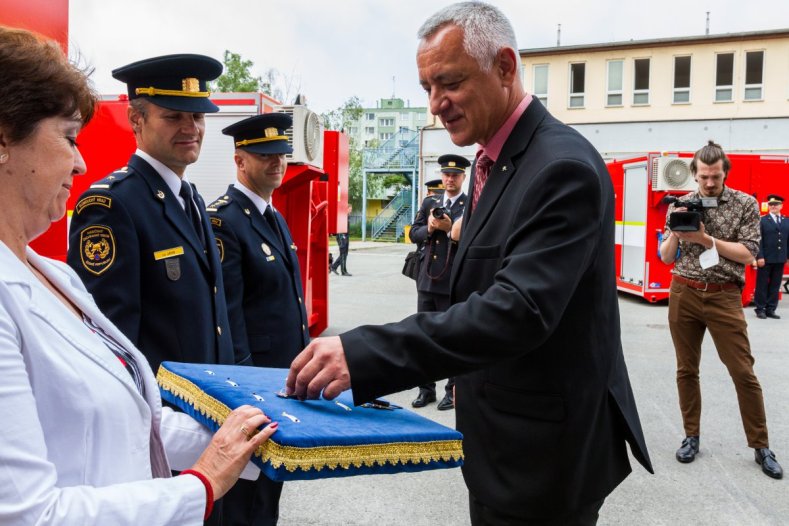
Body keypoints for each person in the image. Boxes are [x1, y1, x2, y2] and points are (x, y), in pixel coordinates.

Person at [286, 3, 653, 524]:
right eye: (426, 88)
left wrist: (366, 352)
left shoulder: (561, 167)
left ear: (504, 67)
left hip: (542, 463)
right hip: (502, 445)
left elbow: (516, 310)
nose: (437, 105)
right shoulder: (494, 161)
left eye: (450, 83)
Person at [0, 26, 278, 525]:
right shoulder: (114, 204)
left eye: (197, 116)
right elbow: (27, 514)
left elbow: (127, 399)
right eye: (68, 138)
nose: (81, 161)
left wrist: (253, 436)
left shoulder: (54, 276)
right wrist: (202, 482)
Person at [67, 53, 246, 373]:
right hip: (162, 413)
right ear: (136, 119)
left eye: (198, 117)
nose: (191, 128)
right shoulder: (111, 206)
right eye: (174, 116)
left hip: (209, 403)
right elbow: (110, 344)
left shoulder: (190, 199)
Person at [207, 113, 310, 526]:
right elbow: (228, 316)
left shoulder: (273, 216)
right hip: (255, 386)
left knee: (269, 489)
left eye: (281, 155)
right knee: (243, 495)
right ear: (239, 160)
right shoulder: (224, 220)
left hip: (281, 380)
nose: (276, 163)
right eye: (264, 155)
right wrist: (246, 390)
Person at [659, 141, 783, 479]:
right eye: (703, 177)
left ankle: (761, 445)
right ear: (695, 174)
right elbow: (668, 257)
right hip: (684, 291)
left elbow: (747, 254)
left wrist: (704, 239)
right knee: (686, 369)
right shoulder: (682, 203)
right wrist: (676, 229)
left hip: (725, 295)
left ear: (725, 172)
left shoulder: (743, 204)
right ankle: (691, 436)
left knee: (742, 370)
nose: (709, 183)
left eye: (714, 177)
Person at [409, 154, 468, 410]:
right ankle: (426, 389)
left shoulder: (470, 205)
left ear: (463, 177)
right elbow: (414, 233)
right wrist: (431, 228)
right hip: (427, 279)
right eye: (446, 174)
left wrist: (449, 229)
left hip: (452, 280)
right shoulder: (430, 202)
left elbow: (473, 239)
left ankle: (452, 390)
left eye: (455, 175)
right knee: (424, 335)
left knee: (451, 337)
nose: (450, 179)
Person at [753, 194, 788, 319]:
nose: (773, 206)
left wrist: (787, 257)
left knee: (775, 284)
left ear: (781, 206)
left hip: (780, 258)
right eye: (771, 205)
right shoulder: (762, 220)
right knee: (762, 285)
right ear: (768, 206)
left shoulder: (786, 220)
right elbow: (758, 240)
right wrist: (760, 257)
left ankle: (771, 309)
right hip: (766, 258)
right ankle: (760, 309)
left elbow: (787, 241)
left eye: (776, 204)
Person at [330, 205, 351, 276]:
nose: (350, 210)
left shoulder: (347, 216)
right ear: (346, 209)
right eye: (350, 209)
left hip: (346, 236)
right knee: (343, 254)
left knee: (345, 254)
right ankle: (343, 271)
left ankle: (334, 267)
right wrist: (342, 237)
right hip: (342, 237)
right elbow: (339, 228)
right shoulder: (342, 216)